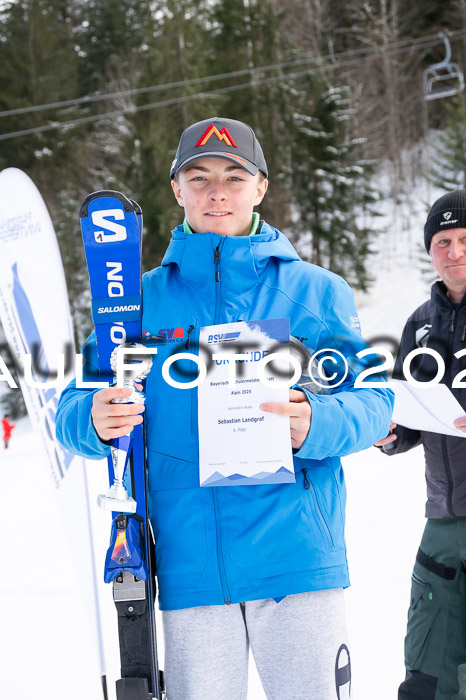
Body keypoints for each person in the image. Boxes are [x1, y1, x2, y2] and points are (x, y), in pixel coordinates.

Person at [56, 117, 393, 699]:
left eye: (234, 177)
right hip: (188, 569)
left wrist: (317, 422)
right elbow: (73, 405)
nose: (217, 192)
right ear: (176, 190)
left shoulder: (315, 291)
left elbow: (374, 400)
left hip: (295, 560)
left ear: (260, 187)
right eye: (200, 176)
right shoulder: (138, 303)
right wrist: (92, 418)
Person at [375, 189, 466, 700]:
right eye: (443, 241)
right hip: (443, 522)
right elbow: (408, 413)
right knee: (427, 678)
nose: (454, 251)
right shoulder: (420, 324)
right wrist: (389, 436)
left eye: (464, 239)